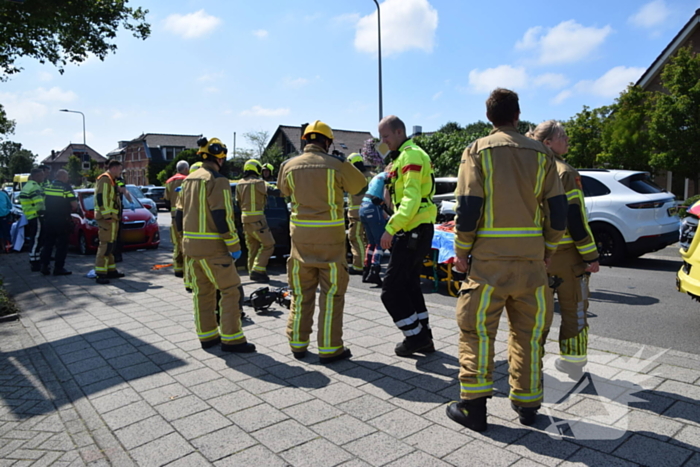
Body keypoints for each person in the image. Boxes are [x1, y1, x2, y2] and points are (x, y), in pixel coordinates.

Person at [446, 88, 567, 432]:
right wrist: (548, 249)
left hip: (488, 263)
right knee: (529, 335)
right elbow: (558, 212)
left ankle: (474, 409)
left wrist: (462, 252)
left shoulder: (477, 151)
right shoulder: (543, 154)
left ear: (489, 118)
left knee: (477, 332)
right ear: (517, 115)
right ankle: (528, 405)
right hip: (531, 264)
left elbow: (468, 208)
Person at [277, 120, 367, 363]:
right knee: (332, 295)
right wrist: (343, 162)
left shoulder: (289, 165)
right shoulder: (336, 164)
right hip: (331, 242)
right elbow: (361, 185)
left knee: (301, 293)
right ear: (327, 142)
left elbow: (283, 191)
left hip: (300, 242)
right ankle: (329, 348)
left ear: (305, 141)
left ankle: (297, 343)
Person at [528, 120, 600, 379]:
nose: (567, 139)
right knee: (574, 309)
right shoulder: (566, 173)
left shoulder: (529, 168)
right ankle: (573, 363)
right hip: (566, 256)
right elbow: (575, 218)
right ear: (548, 143)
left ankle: (531, 363)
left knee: (537, 313)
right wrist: (590, 255)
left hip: (536, 255)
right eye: (563, 136)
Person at [176, 137, 254, 353]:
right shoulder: (217, 180)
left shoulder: (188, 180)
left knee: (203, 291)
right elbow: (222, 217)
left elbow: (178, 216)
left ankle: (208, 336)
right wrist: (234, 246)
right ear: (220, 157)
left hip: (191, 248)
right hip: (214, 249)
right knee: (231, 291)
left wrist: (185, 240)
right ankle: (232, 339)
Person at [377, 115, 437, 357]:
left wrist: (390, 228)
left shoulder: (410, 155)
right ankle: (424, 335)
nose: (384, 142)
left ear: (400, 132)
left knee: (390, 290)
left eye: (386, 136)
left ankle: (416, 337)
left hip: (412, 228)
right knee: (410, 283)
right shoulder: (405, 156)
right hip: (418, 228)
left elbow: (411, 200)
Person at [236, 159, 281, 283]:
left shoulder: (240, 183)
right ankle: (257, 270)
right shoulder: (259, 183)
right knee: (269, 244)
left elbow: (237, 202)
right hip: (258, 220)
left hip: (245, 220)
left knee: (253, 248)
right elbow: (276, 192)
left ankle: (252, 272)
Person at [40, 169, 77, 275]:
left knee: (48, 243)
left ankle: (44, 266)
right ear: (64, 177)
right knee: (62, 244)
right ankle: (58, 268)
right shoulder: (66, 188)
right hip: (62, 219)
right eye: (67, 177)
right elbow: (74, 205)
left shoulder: (47, 187)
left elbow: (42, 201)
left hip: (48, 219)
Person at [94, 160, 126, 284]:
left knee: (111, 245)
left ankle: (111, 270)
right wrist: (107, 215)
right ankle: (100, 273)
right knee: (105, 245)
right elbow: (102, 198)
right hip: (107, 218)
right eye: (119, 170)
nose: (120, 172)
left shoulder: (112, 180)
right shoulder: (105, 179)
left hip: (113, 218)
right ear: (113, 168)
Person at [359, 166, 390, 285]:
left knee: (371, 242)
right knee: (381, 242)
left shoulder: (377, 176)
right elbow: (386, 197)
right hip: (373, 208)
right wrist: (390, 213)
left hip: (363, 207)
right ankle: (375, 271)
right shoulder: (388, 177)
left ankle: (366, 271)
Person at [346, 153, 370, 276]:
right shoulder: (371, 176)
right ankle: (368, 263)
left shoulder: (354, 178)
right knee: (366, 239)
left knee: (356, 238)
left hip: (356, 213)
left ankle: (358, 265)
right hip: (370, 212)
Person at [164, 160, 189, 278]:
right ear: (185, 169)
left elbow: (166, 199)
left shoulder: (169, 181)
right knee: (186, 243)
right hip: (185, 215)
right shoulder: (187, 179)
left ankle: (178, 269)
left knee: (176, 244)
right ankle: (187, 270)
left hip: (174, 216)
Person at [19, 168, 46, 271]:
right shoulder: (35, 187)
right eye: (42, 175)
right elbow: (39, 203)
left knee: (34, 238)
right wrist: (42, 211)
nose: (43, 177)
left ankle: (34, 259)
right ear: (37, 176)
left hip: (30, 215)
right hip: (36, 215)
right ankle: (35, 262)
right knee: (36, 239)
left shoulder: (27, 186)